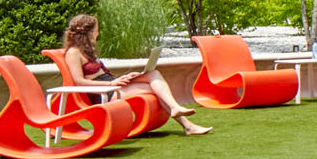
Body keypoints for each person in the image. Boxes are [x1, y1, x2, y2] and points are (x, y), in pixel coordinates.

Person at [59, 14, 212, 136]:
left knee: (153, 74)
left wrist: (125, 77)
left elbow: (102, 74)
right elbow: (79, 81)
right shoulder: (73, 53)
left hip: (112, 85)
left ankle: (178, 112)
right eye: (96, 30)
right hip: (104, 93)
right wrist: (111, 84)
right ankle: (186, 124)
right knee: (155, 88)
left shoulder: (88, 50)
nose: (98, 33)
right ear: (89, 32)